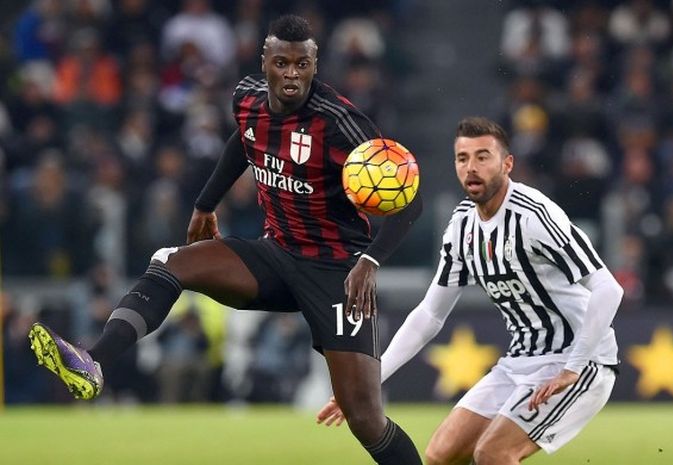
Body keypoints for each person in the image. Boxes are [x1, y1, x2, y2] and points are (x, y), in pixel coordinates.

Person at [28, 15, 423, 465]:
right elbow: (244, 140)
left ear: (315, 65)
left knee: (364, 417)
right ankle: (94, 362)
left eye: (302, 65)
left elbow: (410, 204)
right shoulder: (247, 99)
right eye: (282, 63)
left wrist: (369, 262)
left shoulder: (341, 123)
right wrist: (204, 204)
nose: (292, 74)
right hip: (275, 255)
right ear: (265, 62)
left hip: (338, 273)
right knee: (170, 261)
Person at [317, 117, 623, 465]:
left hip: (580, 362)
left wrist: (573, 366)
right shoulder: (462, 225)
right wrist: (371, 382)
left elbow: (608, 289)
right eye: (463, 158)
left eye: (483, 157)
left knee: (493, 454)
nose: (472, 168)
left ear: (507, 164)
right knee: (440, 456)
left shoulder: (534, 215)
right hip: (519, 361)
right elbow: (430, 315)